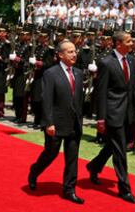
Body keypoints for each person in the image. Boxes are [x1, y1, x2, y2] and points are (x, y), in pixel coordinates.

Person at [86, 31, 135, 204]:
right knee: (120, 151)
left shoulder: (131, 60)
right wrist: (101, 118)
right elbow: (101, 92)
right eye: (129, 41)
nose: (132, 43)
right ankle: (124, 189)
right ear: (118, 44)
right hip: (113, 113)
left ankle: (94, 166)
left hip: (128, 112)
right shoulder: (106, 62)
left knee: (113, 146)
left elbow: (133, 88)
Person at [28, 39, 85, 204]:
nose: (74, 54)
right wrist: (48, 123)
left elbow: (78, 100)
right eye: (70, 52)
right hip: (56, 123)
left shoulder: (79, 73)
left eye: (75, 51)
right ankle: (34, 171)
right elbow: (46, 100)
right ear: (60, 55)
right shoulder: (51, 73)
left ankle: (69, 189)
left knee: (72, 158)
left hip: (74, 123)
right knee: (50, 154)